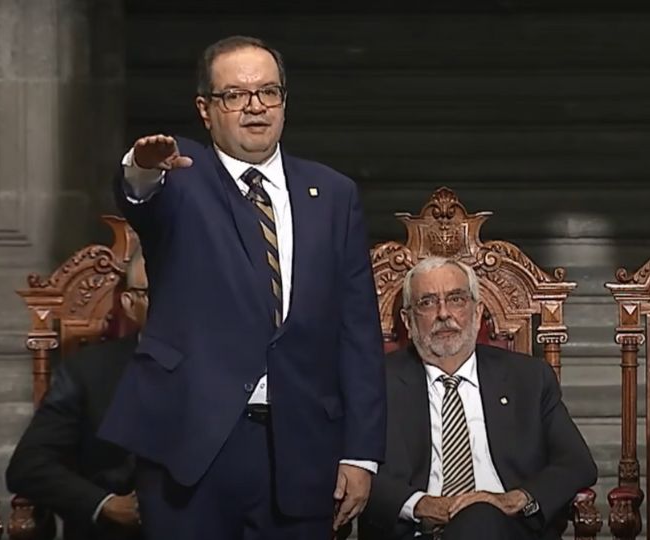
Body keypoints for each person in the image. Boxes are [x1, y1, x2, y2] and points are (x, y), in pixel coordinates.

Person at [97, 35, 386, 539]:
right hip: (192, 445)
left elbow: (357, 330)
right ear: (205, 110)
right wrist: (141, 167)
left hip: (302, 446)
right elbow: (138, 195)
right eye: (234, 95)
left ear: (284, 101)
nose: (255, 106)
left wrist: (361, 453)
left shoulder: (334, 193)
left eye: (268, 92)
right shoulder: (181, 177)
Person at [358, 257, 597, 540]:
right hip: (416, 531)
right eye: (427, 302)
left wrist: (515, 499)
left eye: (456, 299)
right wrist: (419, 505)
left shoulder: (529, 378)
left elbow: (577, 463)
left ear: (477, 311)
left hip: (508, 530)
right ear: (408, 321)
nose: (444, 313)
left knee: (480, 517)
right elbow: (353, 471)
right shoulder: (374, 383)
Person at [6, 248, 148, 540]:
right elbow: (29, 465)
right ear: (130, 303)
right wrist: (105, 505)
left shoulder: (222, 369)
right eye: (159, 291)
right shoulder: (88, 371)